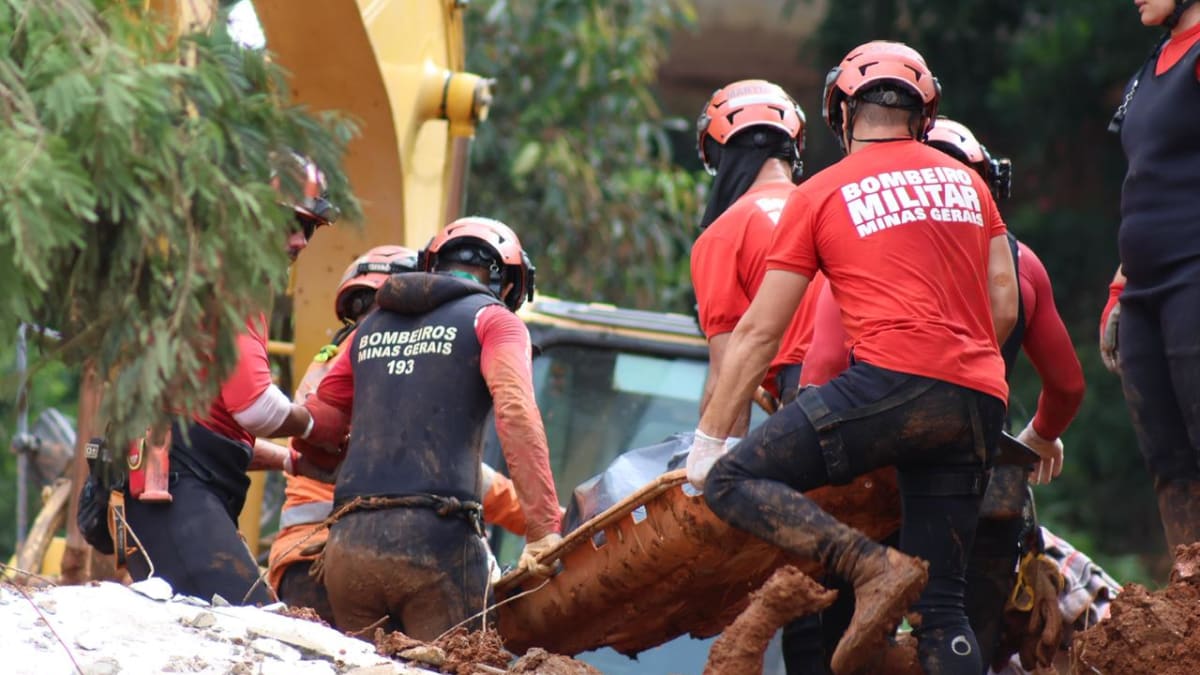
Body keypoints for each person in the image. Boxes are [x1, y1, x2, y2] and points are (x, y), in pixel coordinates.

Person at [688, 40, 1019, 675]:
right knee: (943, 611)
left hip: (889, 382)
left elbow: (761, 331)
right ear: (922, 116)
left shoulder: (821, 191)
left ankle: (868, 564)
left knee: (732, 481)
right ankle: (892, 583)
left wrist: (708, 447)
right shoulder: (971, 184)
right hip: (979, 396)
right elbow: (1002, 302)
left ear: (843, 113)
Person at [293, 216, 563, 639]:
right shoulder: (494, 320)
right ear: (510, 284)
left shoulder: (369, 327)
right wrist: (544, 529)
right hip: (437, 548)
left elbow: (321, 422)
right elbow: (515, 412)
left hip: (348, 548)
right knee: (462, 662)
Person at [122, 158, 346, 605]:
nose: (300, 240)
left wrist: (291, 462)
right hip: (173, 488)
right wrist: (315, 424)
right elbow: (255, 408)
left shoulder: (203, 276)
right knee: (254, 627)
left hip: (166, 481)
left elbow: (214, 428)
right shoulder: (232, 285)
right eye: (288, 223)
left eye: (310, 228)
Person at [1100, 0, 1200, 555]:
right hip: (1144, 286)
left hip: (1194, 270)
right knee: (1167, 455)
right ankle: (1192, 592)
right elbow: (1145, 183)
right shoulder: (1153, 65)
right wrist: (1120, 288)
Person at [690, 79, 827, 435]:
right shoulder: (828, 207)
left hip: (810, 398)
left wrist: (706, 464)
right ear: (794, 148)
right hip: (885, 389)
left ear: (714, 155)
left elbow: (727, 384)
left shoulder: (724, 235)